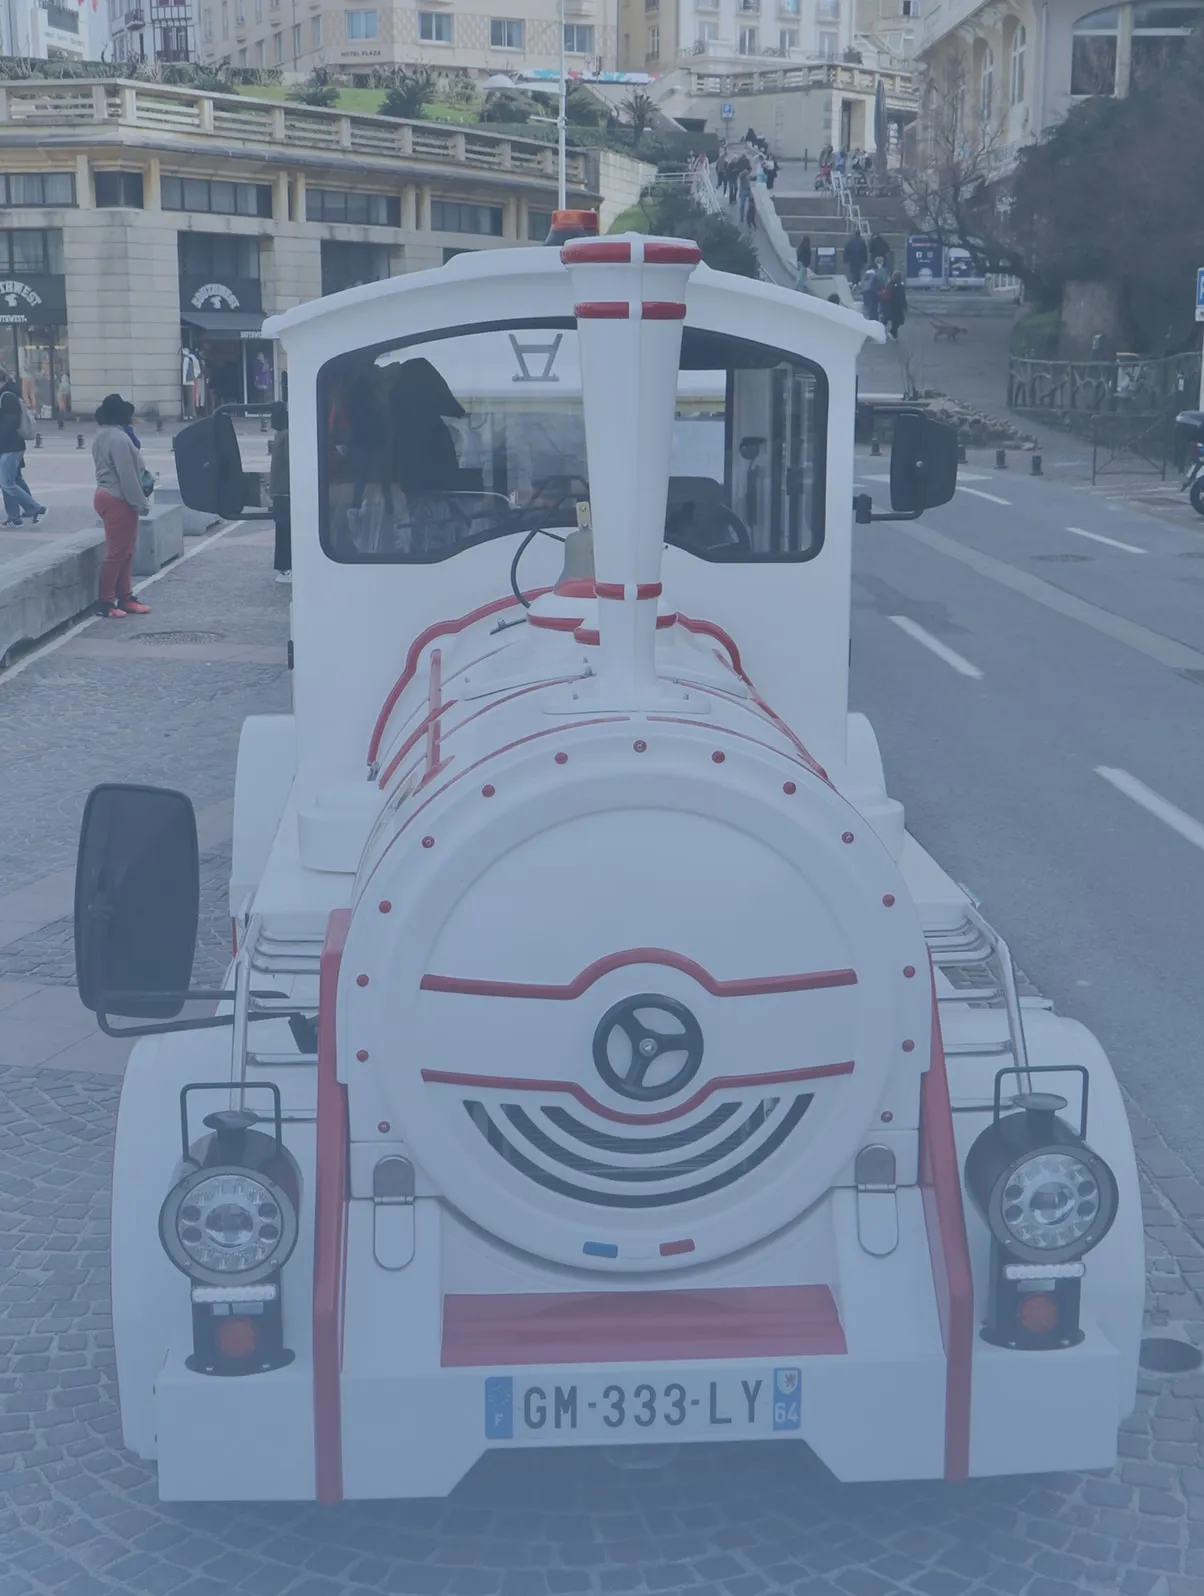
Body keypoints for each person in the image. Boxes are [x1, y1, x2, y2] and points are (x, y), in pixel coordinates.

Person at [91, 392, 150, 618]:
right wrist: (140, 504)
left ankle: (125, 597)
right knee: (118, 553)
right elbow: (128, 476)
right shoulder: (119, 439)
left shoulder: (102, 435)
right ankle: (106, 602)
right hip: (118, 497)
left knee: (124, 551)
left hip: (105, 494)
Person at [0, 380, 45, 527]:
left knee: (6, 482)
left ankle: (35, 508)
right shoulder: (6, 394)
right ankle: (14, 516)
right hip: (8, 446)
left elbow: (9, 424)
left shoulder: (7, 396)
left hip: (11, 446)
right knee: (13, 479)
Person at [268, 400, 291, 583]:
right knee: (283, 529)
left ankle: (286, 567)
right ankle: (285, 567)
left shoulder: (285, 436)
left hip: (284, 490)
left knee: (284, 529)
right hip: (282, 490)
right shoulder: (282, 435)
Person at [884, 270, 907, 339]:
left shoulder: (890, 284)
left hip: (891, 306)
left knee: (896, 321)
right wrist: (904, 305)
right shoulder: (898, 286)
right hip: (895, 306)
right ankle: (893, 333)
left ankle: (893, 334)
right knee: (897, 321)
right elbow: (902, 297)